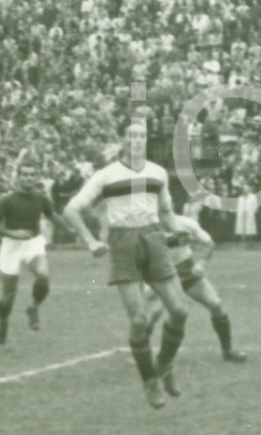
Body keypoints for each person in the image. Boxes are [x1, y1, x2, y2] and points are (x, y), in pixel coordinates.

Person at [62, 116, 190, 410]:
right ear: (123, 141)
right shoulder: (106, 175)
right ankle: (150, 382)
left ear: (147, 141)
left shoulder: (158, 173)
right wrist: (90, 240)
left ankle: (164, 364)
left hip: (154, 238)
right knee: (139, 320)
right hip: (123, 243)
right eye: (131, 136)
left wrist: (177, 230)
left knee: (180, 310)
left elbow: (166, 211)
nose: (136, 141)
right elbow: (71, 210)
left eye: (141, 136)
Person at [0, 160, 72, 345]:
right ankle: (3, 322)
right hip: (11, 246)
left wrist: (71, 230)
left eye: (32, 174)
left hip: (33, 242)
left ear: (36, 177)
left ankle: (33, 308)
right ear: (19, 177)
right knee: (7, 299)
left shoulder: (41, 198)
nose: (28, 178)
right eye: (25, 174)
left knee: (43, 275)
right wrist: (12, 233)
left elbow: (53, 216)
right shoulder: (8, 200)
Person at [143, 213, 248, 363]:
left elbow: (209, 243)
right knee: (154, 312)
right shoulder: (147, 227)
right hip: (162, 273)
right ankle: (142, 355)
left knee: (215, 304)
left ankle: (228, 350)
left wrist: (202, 263)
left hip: (186, 270)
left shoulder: (186, 223)